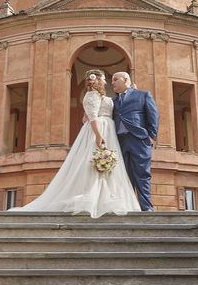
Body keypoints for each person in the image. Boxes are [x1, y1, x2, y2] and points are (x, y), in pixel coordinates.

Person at [9, 69, 141, 217]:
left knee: (108, 164)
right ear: (97, 80)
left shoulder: (99, 96)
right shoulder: (92, 95)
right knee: (94, 161)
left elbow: (86, 116)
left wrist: (133, 92)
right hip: (100, 130)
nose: (106, 81)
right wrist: (98, 135)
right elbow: (92, 117)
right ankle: (93, 196)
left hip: (108, 130)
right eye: (103, 79)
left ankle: (108, 196)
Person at [111, 72, 159, 211]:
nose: (112, 82)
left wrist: (151, 136)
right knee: (124, 176)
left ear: (126, 80)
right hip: (120, 142)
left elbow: (153, 114)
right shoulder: (113, 101)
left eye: (115, 79)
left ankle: (146, 208)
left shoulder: (143, 95)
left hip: (139, 140)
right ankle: (129, 206)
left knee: (143, 174)